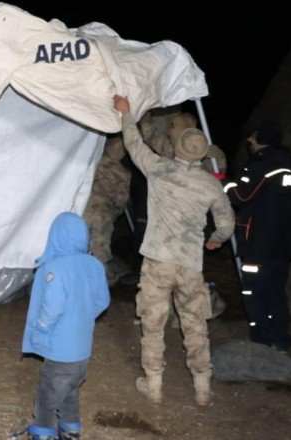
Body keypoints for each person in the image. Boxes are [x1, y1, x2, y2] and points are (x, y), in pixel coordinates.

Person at [113, 95, 234, 406]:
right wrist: (216, 238)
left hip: (158, 260)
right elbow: (227, 224)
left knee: (153, 322)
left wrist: (126, 114)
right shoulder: (210, 185)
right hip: (190, 264)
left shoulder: (160, 169)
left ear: (177, 147)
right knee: (195, 324)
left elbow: (134, 144)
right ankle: (202, 386)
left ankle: (153, 383)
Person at [17, 212, 110, 440]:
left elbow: (53, 306)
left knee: (48, 394)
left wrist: (41, 326)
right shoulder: (95, 265)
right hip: (82, 349)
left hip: (60, 349)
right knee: (70, 389)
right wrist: (82, 317)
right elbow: (102, 301)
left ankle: (43, 432)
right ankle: (70, 429)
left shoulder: (54, 268)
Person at [224, 122, 291, 352]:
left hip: (259, 243)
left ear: (260, 137)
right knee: (275, 292)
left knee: (255, 292)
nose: (249, 140)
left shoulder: (261, 165)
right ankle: (281, 340)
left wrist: (222, 183)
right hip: (283, 244)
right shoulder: (287, 165)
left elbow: (240, 196)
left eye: (252, 136)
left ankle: (261, 342)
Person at [82, 136, 132, 286]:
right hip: (103, 216)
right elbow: (121, 200)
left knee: (81, 245)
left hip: (83, 210)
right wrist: (113, 213)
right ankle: (100, 282)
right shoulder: (123, 174)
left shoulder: (92, 162)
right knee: (100, 248)